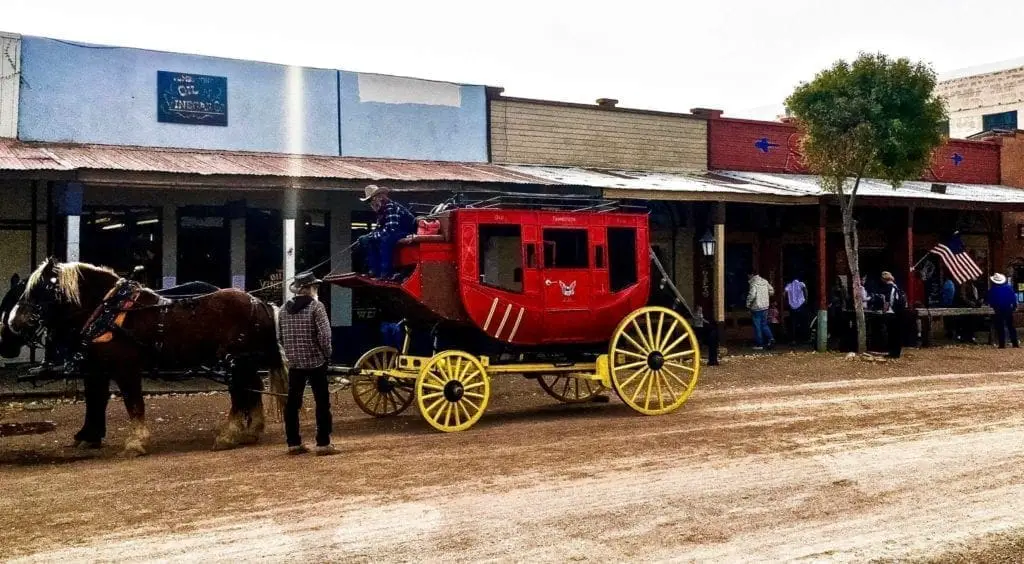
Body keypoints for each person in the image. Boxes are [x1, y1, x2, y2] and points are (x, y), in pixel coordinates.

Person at [279, 272, 338, 456]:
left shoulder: (283, 310)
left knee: (292, 404)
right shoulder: (316, 307)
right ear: (310, 288)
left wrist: (291, 354)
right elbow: (325, 336)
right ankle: (323, 443)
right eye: (315, 287)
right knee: (322, 403)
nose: (316, 290)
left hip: (295, 364)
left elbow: (280, 337)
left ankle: (293, 443)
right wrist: (327, 354)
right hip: (315, 362)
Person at [356, 184, 416, 280]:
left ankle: (386, 273)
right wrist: (370, 237)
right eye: (369, 201)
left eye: (371, 200)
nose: (371, 203)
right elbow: (379, 229)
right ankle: (374, 271)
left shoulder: (390, 207)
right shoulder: (381, 211)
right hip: (393, 231)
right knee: (367, 240)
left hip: (406, 232)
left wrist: (375, 236)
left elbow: (392, 229)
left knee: (385, 240)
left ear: (379, 197)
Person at [988, 273, 1019, 349]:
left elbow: (988, 300)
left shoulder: (992, 290)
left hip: (997, 309)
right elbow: (1013, 299)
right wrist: (1014, 307)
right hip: (1008, 308)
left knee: (1000, 327)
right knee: (1010, 326)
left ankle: (1002, 344)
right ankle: (1015, 343)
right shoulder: (1008, 288)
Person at [746, 270, 775, 350]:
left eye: (748, 275)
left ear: (751, 275)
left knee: (757, 326)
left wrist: (748, 304)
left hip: (756, 307)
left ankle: (759, 344)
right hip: (765, 306)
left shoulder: (753, 283)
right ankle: (771, 338)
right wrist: (766, 295)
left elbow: (752, 295)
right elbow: (772, 291)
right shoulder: (765, 281)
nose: (748, 277)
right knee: (764, 324)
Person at [881, 271, 906, 358]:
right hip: (899, 312)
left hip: (891, 313)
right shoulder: (896, 287)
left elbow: (887, 301)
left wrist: (884, 311)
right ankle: (897, 352)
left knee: (891, 333)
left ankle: (892, 352)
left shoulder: (888, 288)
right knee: (897, 333)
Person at [784, 275, 809, 345]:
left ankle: (793, 339)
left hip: (792, 307)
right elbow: (805, 290)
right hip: (801, 305)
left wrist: (786, 302)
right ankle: (804, 339)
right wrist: (806, 300)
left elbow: (784, 293)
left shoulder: (789, 285)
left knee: (793, 323)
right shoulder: (801, 284)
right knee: (803, 322)